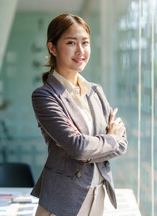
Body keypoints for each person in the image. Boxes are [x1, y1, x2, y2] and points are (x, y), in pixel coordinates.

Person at [31, 13, 128, 216]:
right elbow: (78, 147)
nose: (80, 50)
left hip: (97, 196)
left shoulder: (95, 91)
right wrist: (106, 139)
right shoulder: (45, 96)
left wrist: (87, 149)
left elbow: (122, 143)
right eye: (71, 42)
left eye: (85, 42)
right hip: (61, 201)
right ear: (52, 48)